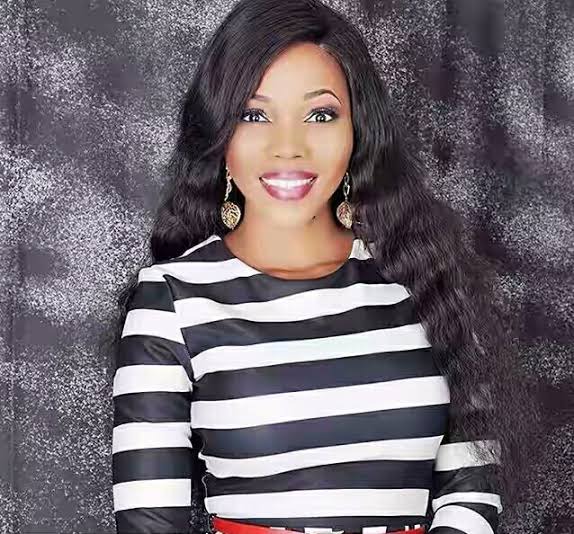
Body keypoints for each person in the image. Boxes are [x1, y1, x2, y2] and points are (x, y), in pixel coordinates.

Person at [111, 0, 538, 533]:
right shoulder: (170, 301)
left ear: (358, 129)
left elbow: (473, 487)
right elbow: (150, 522)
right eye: (254, 115)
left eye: (320, 115)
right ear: (219, 134)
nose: (288, 148)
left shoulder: (427, 277)